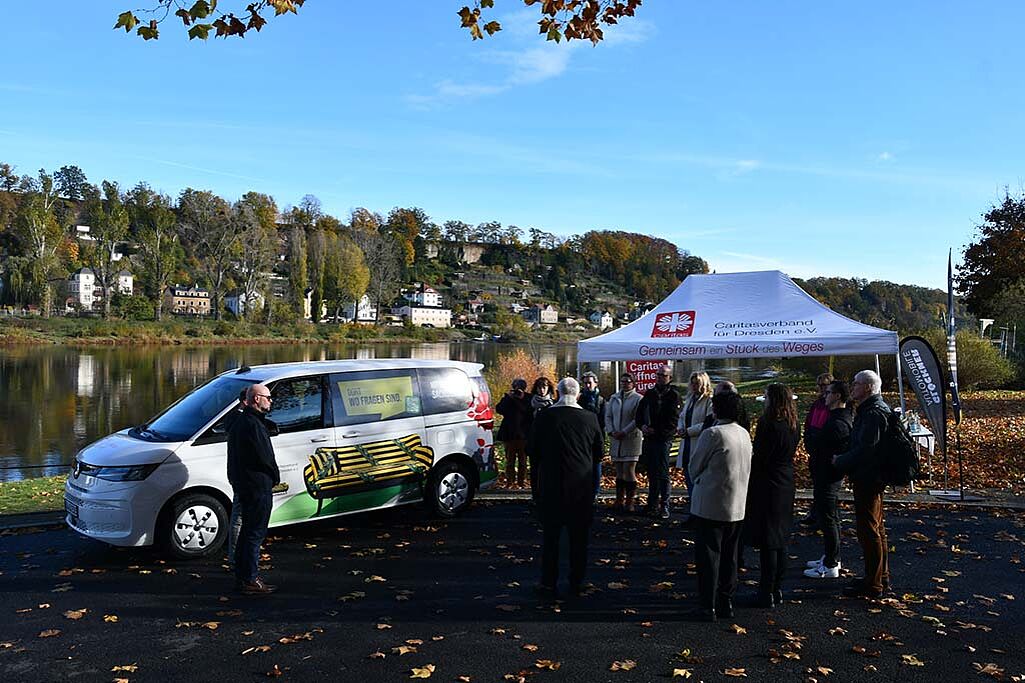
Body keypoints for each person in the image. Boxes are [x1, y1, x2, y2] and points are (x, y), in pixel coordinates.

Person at [527, 377, 605, 598]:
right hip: (580, 486)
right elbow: (599, 452)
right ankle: (577, 581)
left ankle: (548, 582)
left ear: (558, 393)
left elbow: (532, 449)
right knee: (579, 539)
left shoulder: (545, 416)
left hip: (552, 484)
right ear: (578, 394)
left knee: (550, 538)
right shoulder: (590, 418)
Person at [688, 391, 753, 621]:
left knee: (708, 557)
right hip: (737, 503)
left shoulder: (713, 434)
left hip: (711, 503)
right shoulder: (744, 433)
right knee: (730, 556)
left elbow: (695, 466)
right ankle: (726, 601)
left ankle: (708, 604)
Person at [833, 370, 892, 598]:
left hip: (869, 477)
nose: (852, 387)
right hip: (871, 476)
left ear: (868, 387)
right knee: (876, 528)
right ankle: (878, 576)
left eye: (856, 384)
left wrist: (841, 461)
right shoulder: (872, 410)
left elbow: (867, 449)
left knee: (869, 530)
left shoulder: (873, 414)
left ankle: (874, 582)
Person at [744, 382, 800, 608]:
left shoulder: (768, 424)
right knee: (781, 539)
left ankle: (765, 590)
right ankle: (777, 588)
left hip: (768, 481)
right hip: (786, 480)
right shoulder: (793, 424)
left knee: (769, 540)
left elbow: (760, 454)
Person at [227, 383, 280, 595]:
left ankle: (243, 576)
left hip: (245, 484)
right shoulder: (253, 424)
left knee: (247, 532)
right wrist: (275, 475)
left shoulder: (241, 422)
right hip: (257, 486)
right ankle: (250, 578)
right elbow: (264, 456)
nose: (271, 400)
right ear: (256, 399)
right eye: (267, 397)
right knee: (254, 533)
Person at [803, 380, 853, 579]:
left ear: (838, 396)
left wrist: (814, 441)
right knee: (830, 516)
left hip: (828, 475)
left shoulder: (839, 422)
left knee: (829, 519)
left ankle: (831, 563)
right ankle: (831, 556)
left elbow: (822, 446)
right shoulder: (835, 418)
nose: (825, 395)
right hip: (823, 472)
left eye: (829, 392)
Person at [635, 364, 682, 519]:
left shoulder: (673, 395)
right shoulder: (650, 394)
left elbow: (673, 421)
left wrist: (658, 431)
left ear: (669, 378)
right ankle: (652, 504)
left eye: (663, 375)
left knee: (662, 474)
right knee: (651, 472)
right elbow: (639, 415)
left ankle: (665, 505)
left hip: (663, 439)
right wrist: (643, 426)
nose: (660, 378)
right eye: (658, 375)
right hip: (649, 438)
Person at [800, 373, 834, 526]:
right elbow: (808, 425)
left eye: (824, 385)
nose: (821, 389)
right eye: (819, 385)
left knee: (824, 487)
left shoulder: (833, 405)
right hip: (814, 450)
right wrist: (808, 442)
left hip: (826, 451)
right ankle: (816, 513)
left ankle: (823, 515)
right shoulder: (817, 404)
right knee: (817, 484)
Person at [605, 374, 643, 512]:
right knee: (619, 471)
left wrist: (625, 431)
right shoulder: (614, 398)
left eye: (628, 381)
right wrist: (611, 431)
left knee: (629, 470)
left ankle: (630, 501)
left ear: (633, 383)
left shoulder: (638, 399)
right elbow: (608, 416)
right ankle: (619, 500)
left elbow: (637, 419)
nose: (625, 384)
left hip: (631, 439)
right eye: (623, 381)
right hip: (616, 439)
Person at [676, 372, 714, 490]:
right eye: (692, 383)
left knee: (698, 477)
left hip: (699, 441)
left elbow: (708, 423)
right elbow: (682, 416)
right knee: (687, 474)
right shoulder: (690, 399)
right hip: (686, 443)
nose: (694, 386)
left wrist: (689, 431)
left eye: (697, 383)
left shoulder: (709, 400)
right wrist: (680, 428)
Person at [225, 388, 248, 571]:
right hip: (244, 476)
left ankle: (236, 555)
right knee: (240, 516)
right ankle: (236, 557)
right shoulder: (243, 420)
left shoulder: (232, 418)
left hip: (236, 473)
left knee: (240, 515)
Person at [495, 378, 533, 488]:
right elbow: (499, 409)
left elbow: (528, 412)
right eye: (516, 386)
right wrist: (509, 398)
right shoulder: (508, 397)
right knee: (509, 461)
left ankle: (521, 481)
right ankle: (509, 481)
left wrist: (519, 399)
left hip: (524, 435)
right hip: (509, 434)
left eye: (520, 387)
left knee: (523, 461)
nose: (518, 389)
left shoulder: (528, 398)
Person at [578, 371, 607, 496]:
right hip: (582, 436)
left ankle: (595, 492)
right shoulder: (579, 399)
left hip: (596, 436)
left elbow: (603, 420)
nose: (587, 386)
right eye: (585, 383)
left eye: (590, 383)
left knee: (596, 464)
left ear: (596, 383)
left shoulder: (600, 400)